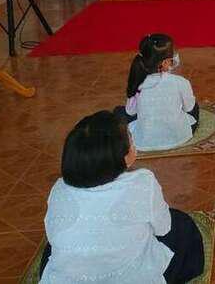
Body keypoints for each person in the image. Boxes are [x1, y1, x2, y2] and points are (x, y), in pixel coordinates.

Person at [39, 110, 205, 283]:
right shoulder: (143, 181)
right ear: (120, 156)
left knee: (54, 250)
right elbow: (163, 228)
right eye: (130, 138)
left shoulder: (59, 189)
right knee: (182, 225)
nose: (133, 143)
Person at [124, 33, 199, 152]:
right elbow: (189, 108)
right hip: (179, 137)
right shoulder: (180, 82)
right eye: (172, 57)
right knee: (195, 107)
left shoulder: (137, 83)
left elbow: (130, 112)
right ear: (164, 63)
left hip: (144, 141)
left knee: (121, 112)